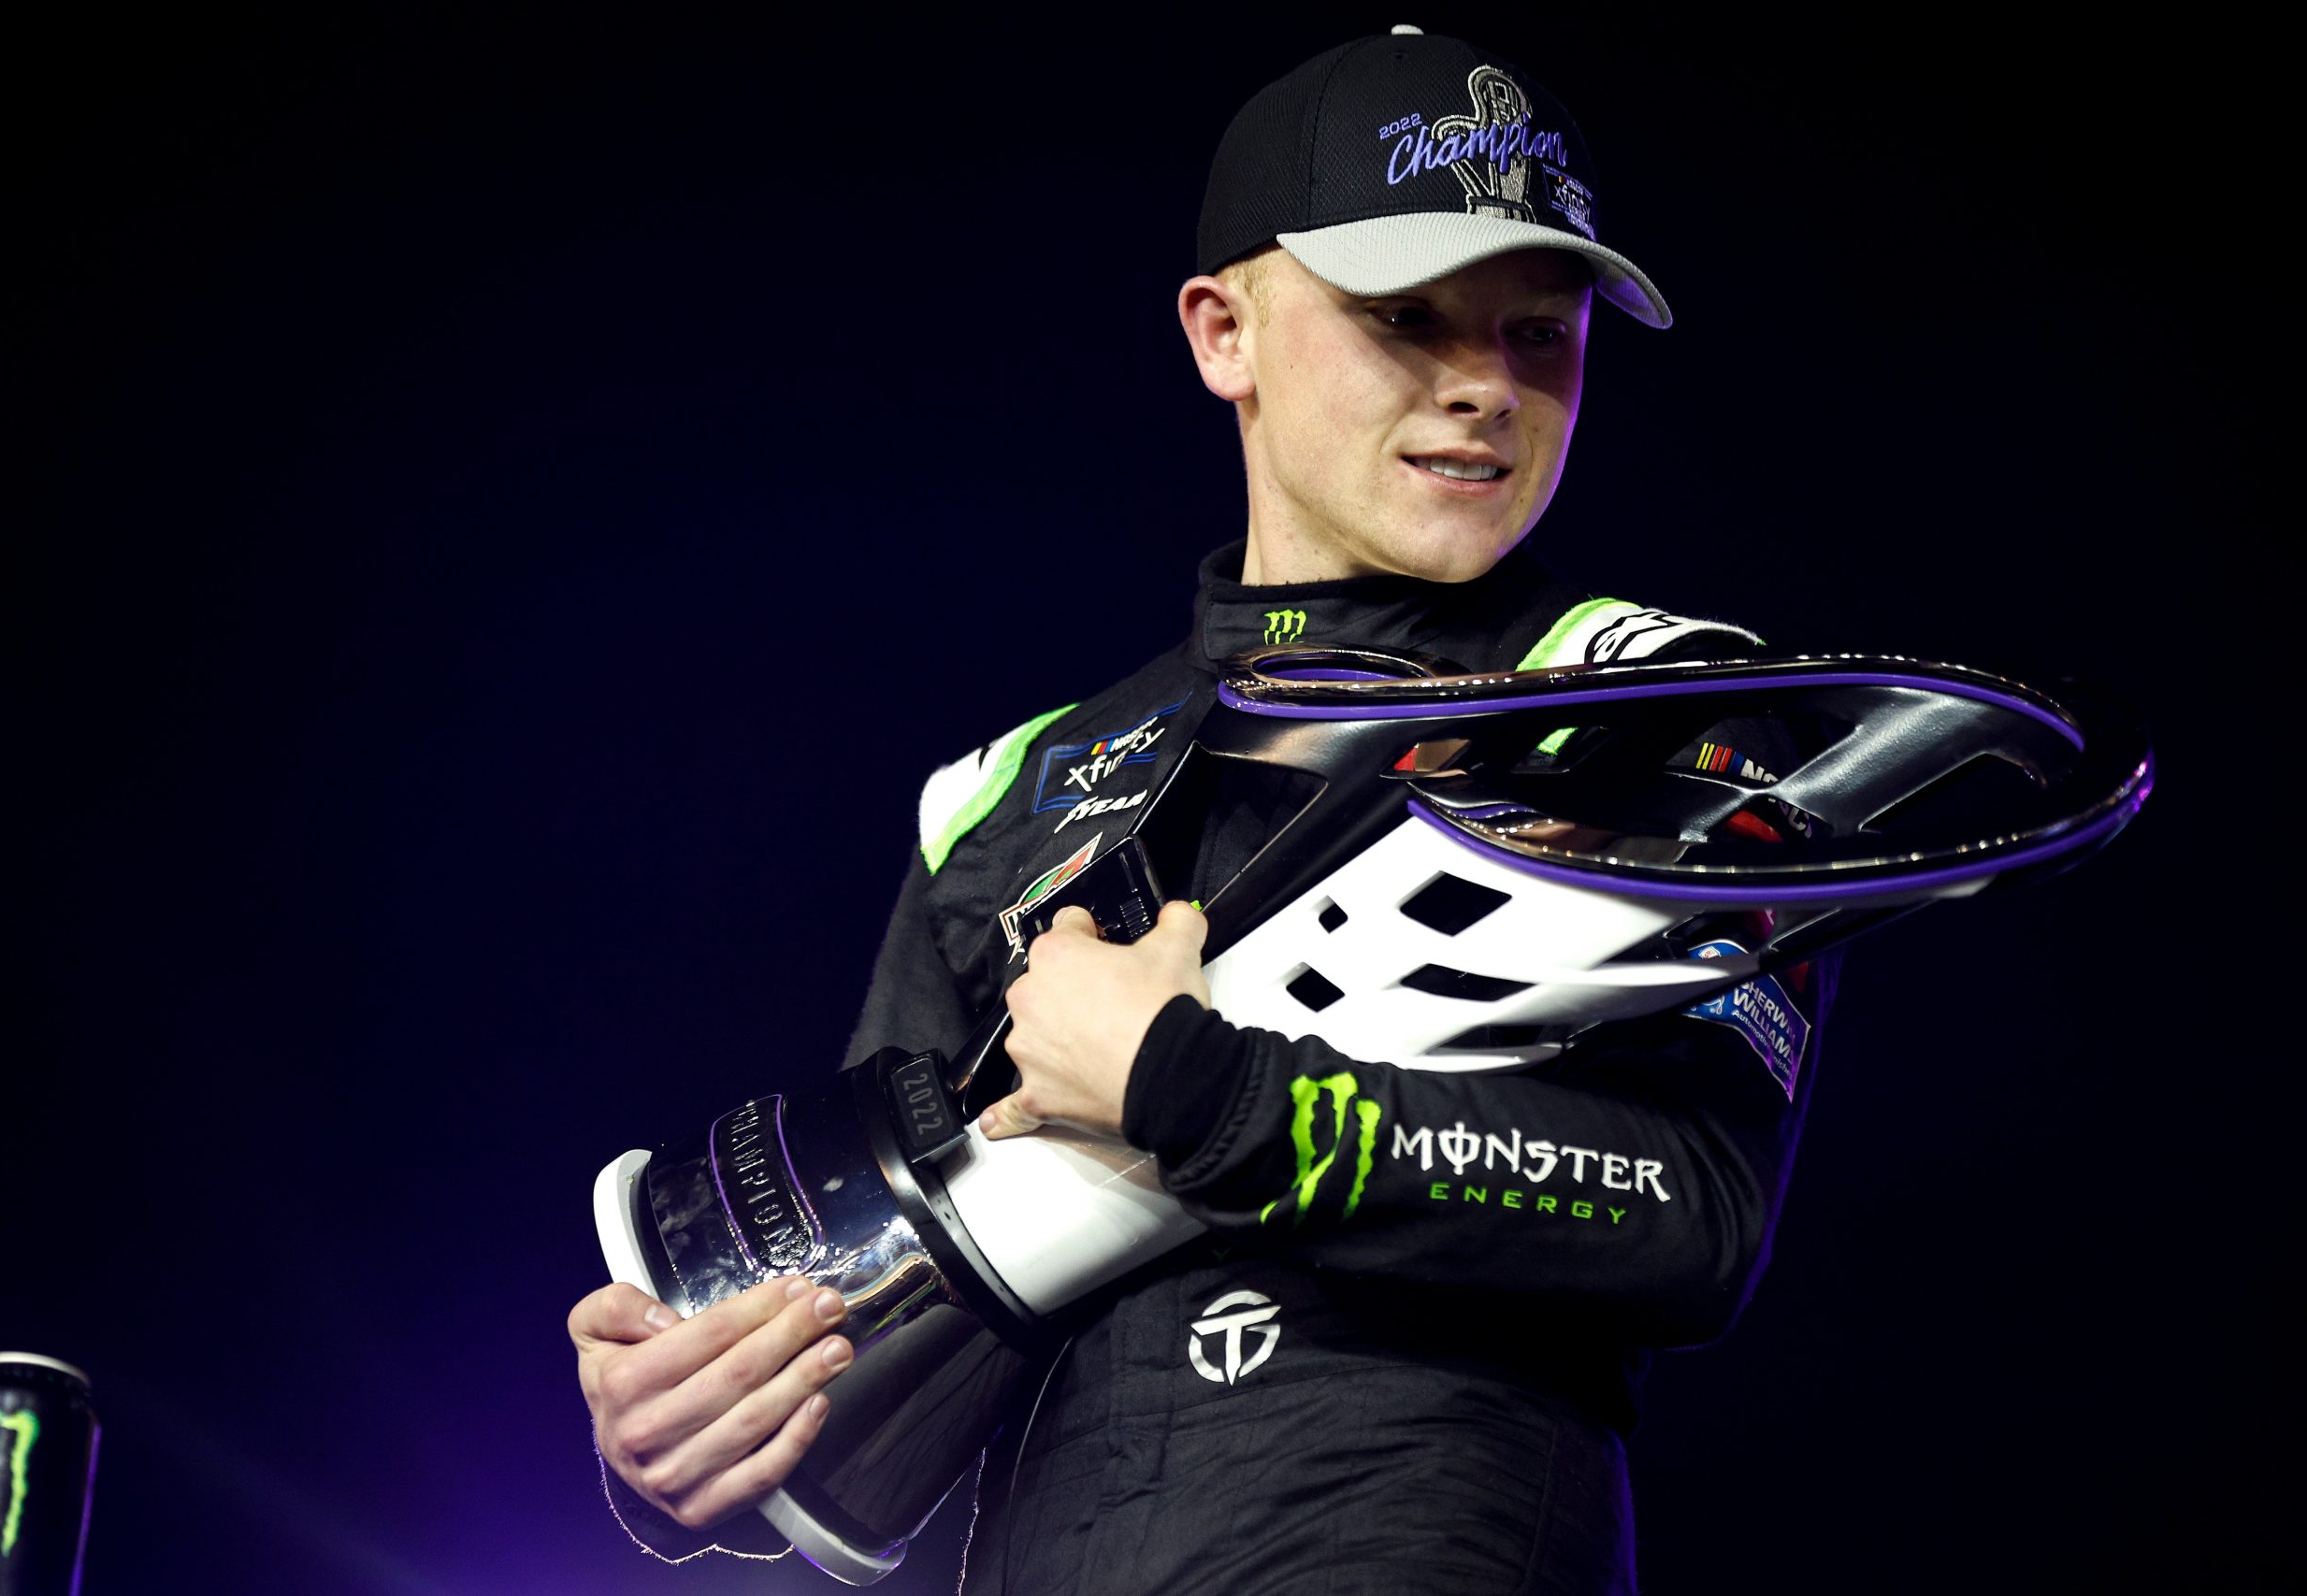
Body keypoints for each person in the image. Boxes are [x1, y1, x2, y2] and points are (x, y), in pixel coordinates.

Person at [570, 27, 1831, 1593]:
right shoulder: (1010, 788)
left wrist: (1193, 1089)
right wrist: (681, 1439)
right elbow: (885, 1321)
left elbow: (1691, 1218)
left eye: (1539, 332)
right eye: (1403, 317)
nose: (1485, 390)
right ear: (1223, 331)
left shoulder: (1652, 705)